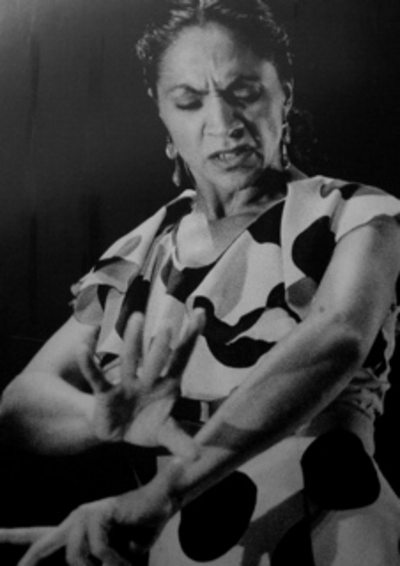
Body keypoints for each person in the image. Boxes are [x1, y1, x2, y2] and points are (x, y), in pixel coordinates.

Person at [1, 0, 400, 564]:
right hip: (174, 542)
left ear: (285, 94)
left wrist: (165, 490)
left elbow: (335, 337)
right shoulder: (138, 254)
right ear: (163, 115)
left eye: (244, 92)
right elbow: (20, 401)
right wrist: (99, 418)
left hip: (329, 529)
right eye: (189, 101)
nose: (223, 121)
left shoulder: (357, 214)